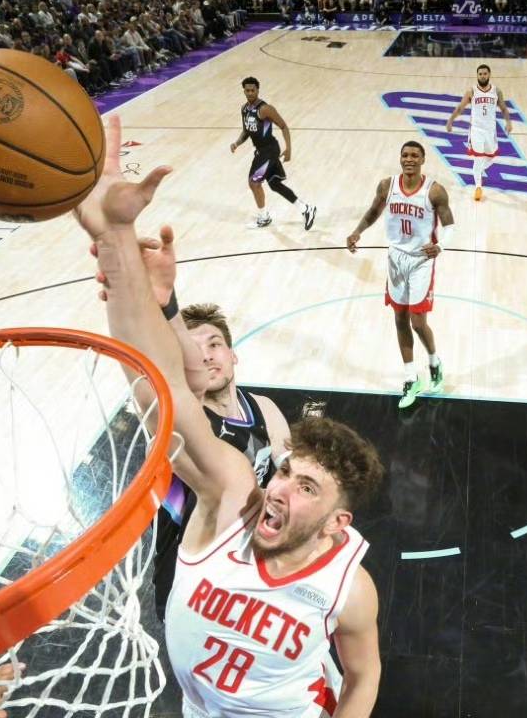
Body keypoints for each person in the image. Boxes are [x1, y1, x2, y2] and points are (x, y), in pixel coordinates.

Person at [80, 115, 383, 717]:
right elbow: (163, 384)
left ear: (337, 523)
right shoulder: (233, 499)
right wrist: (115, 238)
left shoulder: (347, 586)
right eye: (286, 473)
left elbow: (364, 674)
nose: (280, 488)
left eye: (307, 487)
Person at [108, 222, 294, 617]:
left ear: (233, 354)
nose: (207, 355)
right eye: (195, 350)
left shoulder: (264, 408)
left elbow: (290, 479)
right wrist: (135, 294)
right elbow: (149, 380)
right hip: (190, 578)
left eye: (215, 344)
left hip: (251, 563)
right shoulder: (182, 417)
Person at [345, 141, 452, 408]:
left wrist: (440, 245)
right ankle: (410, 378)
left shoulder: (434, 191)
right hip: (395, 259)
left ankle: (434, 362)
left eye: (415, 155)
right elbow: (373, 212)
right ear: (400, 158)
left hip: (421, 261)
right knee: (400, 318)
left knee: (418, 322)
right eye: (405, 155)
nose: (409, 159)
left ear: (423, 159)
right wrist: (357, 231)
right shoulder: (387, 186)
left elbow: (450, 225)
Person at [230, 77, 316, 231]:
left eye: (253, 90)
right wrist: (237, 143)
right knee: (275, 184)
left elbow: (283, 126)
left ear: (257, 90)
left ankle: (264, 217)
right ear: (244, 91)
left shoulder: (265, 109)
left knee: (254, 183)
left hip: (269, 151)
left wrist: (288, 148)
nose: (250, 93)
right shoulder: (244, 109)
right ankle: (306, 209)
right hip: (261, 152)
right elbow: (246, 131)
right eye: (247, 90)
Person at [445, 64, 514, 202]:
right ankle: (478, 187)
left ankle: (478, 171)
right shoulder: (471, 91)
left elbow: (503, 108)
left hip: (490, 130)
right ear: (477, 75)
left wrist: (508, 122)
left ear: (489, 75)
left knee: (491, 157)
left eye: (485, 73)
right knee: (478, 159)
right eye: (480, 74)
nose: (482, 76)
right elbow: (460, 108)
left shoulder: (496, 91)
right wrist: (450, 120)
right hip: (476, 130)